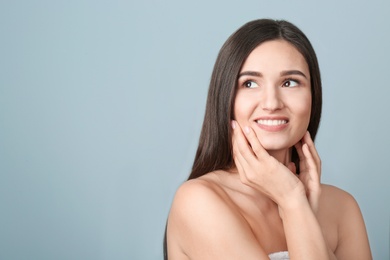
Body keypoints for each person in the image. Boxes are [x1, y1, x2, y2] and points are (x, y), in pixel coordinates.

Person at [164, 19, 372, 259]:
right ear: (226, 100)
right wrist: (293, 201)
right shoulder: (198, 201)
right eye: (250, 83)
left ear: (313, 96)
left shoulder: (342, 208)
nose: (272, 103)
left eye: (290, 82)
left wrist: (301, 211)